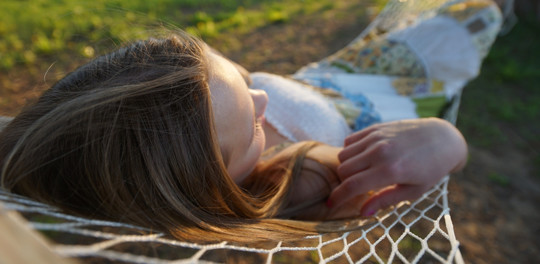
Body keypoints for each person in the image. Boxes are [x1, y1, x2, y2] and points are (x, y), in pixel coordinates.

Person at [0, 30, 468, 243]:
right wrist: (447, 139)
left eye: (243, 85)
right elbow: (422, 165)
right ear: (218, 183)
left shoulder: (186, 94)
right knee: (471, 23)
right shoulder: (297, 179)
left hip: (330, 73)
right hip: (382, 98)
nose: (260, 97)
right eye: (253, 128)